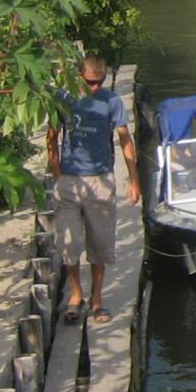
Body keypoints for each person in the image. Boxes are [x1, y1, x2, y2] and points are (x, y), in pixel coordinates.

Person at [46, 55, 139, 325]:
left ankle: (97, 298)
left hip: (101, 179)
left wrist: (134, 181)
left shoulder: (112, 102)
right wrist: (58, 174)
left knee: (100, 242)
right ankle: (76, 294)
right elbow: (52, 136)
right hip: (71, 180)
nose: (95, 88)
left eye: (99, 83)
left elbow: (125, 138)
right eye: (90, 83)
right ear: (79, 78)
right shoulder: (64, 98)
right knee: (69, 242)